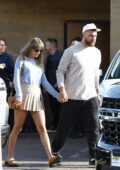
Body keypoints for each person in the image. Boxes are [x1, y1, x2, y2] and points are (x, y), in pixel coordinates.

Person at [4, 37, 62, 168]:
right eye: (36, 50)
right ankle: (9, 157)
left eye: (41, 50)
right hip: (23, 94)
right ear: (29, 49)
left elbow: (45, 83)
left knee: (42, 128)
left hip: (36, 96)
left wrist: (57, 95)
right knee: (17, 128)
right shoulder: (21, 60)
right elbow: (16, 79)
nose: (39, 53)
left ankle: (50, 157)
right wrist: (18, 95)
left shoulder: (39, 64)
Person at [52, 23, 101, 165]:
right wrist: (62, 89)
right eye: (91, 35)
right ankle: (55, 153)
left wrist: (97, 90)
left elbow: (95, 74)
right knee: (64, 127)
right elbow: (60, 71)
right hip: (72, 96)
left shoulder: (97, 52)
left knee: (94, 128)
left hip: (91, 96)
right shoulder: (71, 51)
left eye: (95, 35)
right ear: (84, 34)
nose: (93, 38)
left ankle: (93, 157)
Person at [45, 38, 62, 129]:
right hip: (50, 87)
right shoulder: (48, 57)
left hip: (59, 87)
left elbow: (63, 71)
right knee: (53, 107)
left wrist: (58, 83)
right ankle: (55, 124)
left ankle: (60, 125)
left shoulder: (60, 56)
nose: (45, 47)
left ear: (52, 45)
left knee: (60, 107)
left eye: (47, 45)